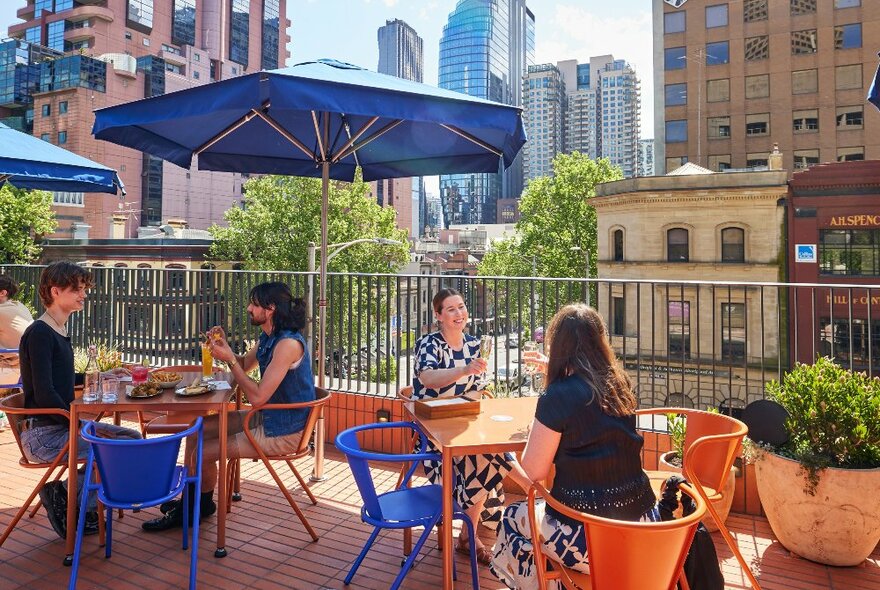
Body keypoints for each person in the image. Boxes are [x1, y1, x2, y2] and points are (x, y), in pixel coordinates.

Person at [490, 304, 659, 590]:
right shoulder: (619, 385)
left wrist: (505, 458)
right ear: (600, 341)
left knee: (511, 518)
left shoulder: (556, 397)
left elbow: (533, 475)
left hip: (588, 539)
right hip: (642, 529)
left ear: (558, 346)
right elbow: (590, 413)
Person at [142, 281, 316, 531]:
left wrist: (230, 360)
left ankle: (191, 508)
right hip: (268, 419)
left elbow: (257, 398)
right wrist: (226, 349)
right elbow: (244, 364)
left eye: (254, 305)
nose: (248, 309)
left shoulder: (287, 345)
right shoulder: (270, 336)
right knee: (197, 428)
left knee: (201, 452)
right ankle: (199, 503)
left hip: (283, 432)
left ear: (270, 309)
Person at [19, 261, 141, 539]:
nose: (83, 295)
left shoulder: (57, 331)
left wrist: (103, 374)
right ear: (55, 291)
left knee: (131, 439)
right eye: (77, 289)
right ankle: (76, 508)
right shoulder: (39, 332)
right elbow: (44, 392)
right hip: (44, 435)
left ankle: (65, 492)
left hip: (58, 426)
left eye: (84, 289)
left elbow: (61, 377)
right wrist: (75, 423)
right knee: (109, 448)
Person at [412, 288, 531, 565]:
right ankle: (531, 488)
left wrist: (477, 400)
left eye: (461, 307)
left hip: (464, 424)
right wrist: (464, 370)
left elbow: (478, 389)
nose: (459, 313)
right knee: (486, 454)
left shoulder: (474, 344)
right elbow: (428, 378)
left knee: (484, 450)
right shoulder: (428, 344)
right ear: (438, 315)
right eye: (451, 309)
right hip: (433, 432)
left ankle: (469, 534)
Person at [0, 273, 33, 350]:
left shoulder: (2, 311)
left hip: (14, 358)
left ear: (2, 293)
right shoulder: (20, 306)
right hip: (31, 356)